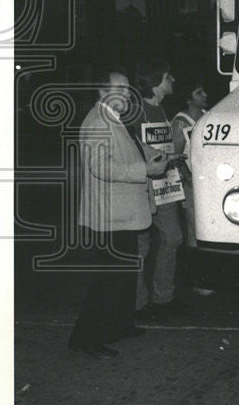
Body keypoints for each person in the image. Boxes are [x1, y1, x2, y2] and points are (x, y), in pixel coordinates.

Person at [69, 67, 172, 358]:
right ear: (103, 93)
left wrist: (151, 157)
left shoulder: (113, 119)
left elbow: (124, 154)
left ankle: (119, 326)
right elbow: (100, 167)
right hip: (109, 217)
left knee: (124, 277)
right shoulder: (97, 122)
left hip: (122, 215)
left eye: (128, 89)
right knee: (108, 280)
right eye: (120, 89)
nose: (127, 94)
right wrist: (145, 169)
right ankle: (83, 339)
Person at [129, 57, 185, 317]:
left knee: (173, 237)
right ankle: (139, 304)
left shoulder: (161, 110)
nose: (172, 80)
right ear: (155, 82)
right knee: (141, 246)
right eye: (167, 77)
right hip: (144, 187)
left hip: (166, 185)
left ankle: (164, 297)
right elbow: (133, 148)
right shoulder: (136, 111)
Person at [171, 81, 214, 296]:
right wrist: (187, 176)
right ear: (189, 99)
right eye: (199, 92)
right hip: (192, 185)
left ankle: (209, 276)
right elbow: (175, 156)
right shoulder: (180, 122)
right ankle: (197, 280)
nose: (204, 94)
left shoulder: (208, 115)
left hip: (211, 184)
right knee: (195, 232)